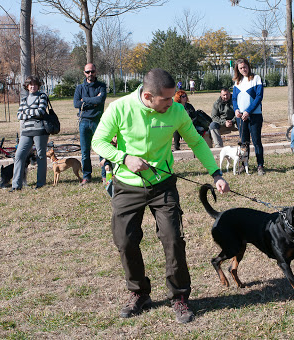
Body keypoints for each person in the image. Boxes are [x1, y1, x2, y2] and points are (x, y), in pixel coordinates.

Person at [91, 68, 230, 323]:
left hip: (163, 184)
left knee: (173, 239)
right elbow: (97, 142)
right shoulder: (120, 109)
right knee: (125, 240)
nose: (172, 103)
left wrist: (216, 173)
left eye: (173, 97)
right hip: (127, 185)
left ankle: (179, 297)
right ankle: (139, 292)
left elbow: (197, 142)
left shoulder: (176, 111)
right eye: (166, 99)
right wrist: (124, 158)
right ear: (147, 96)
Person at [10, 76, 49, 191]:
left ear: (38, 86)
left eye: (35, 84)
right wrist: (32, 113)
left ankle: (40, 183)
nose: (33, 86)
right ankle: (16, 186)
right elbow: (18, 115)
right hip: (26, 132)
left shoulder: (42, 96)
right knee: (19, 156)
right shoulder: (23, 99)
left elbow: (41, 111)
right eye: (30, 84)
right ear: (27, 86)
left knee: (40, 156)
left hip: (40, 131)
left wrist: (26, 112)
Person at [74, 63, 107, 185]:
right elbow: (76, 104)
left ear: (96, 72)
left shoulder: (101, 86)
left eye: (92, 71)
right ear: (84, 73)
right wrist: (92, 102)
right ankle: (87, 176)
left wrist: (85, 100)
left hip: (97, 121)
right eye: (88, 72)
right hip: (83, 122)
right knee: (84, 152)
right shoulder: (79, 88)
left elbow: (100, 100)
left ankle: (105, 175)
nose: (90, 74)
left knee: (102, 150)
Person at [232, 57, 265, 175]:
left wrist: (248, 111)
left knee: (256, 141)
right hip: (240, 117)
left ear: (248, 66)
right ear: (237, 69)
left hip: (254, 116)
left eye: (245, 67)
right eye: (240, 68)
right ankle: (243, 165)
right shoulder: (237, 82)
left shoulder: (256, 78)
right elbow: (234, 98)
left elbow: (259, 97)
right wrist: (236, 110)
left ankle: (260, 165)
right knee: (243, 142)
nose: (243, 69)